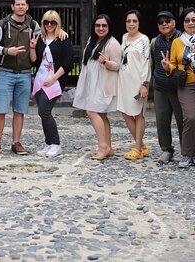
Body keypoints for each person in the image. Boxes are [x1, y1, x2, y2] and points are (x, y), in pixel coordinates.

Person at [161, 8, 195, 168]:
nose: (191, 23)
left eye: (194, 20)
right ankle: (186, 154)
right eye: (187, 20)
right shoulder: (177, 42)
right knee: (191, 118)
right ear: (182, 23)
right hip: (187, 85)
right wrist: (167, 66)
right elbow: (172, 63)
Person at [0, 0, 40, 156]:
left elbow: (47, 34)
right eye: (17, 4)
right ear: (12, 6)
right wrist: (6, 50)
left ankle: (16, 142)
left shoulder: (33, 25)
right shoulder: (2, 24)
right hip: (5, 72)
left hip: (24, 73)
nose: (20, 7)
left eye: (23, 4)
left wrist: (61, 32)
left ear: (27, 6)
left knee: (20, 110)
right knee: (0, 110)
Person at [72, 14, 121, 161]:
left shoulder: (112, 43)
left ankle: (102, 147)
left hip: (103, 84)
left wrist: (106, 62)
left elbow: (118, 66)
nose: (100, 28)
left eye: (104, 26)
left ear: (109, 27)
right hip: (92, 83)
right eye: (98, 25)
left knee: (92, 112)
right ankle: (108, 147)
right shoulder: (92, 40)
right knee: (102, 114)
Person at [29, 10, 74, 158]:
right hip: (40, 79)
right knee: (42, 113)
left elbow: (68, 63)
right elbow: (35, 61)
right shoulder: (40, 38)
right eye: (46, 22)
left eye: (53, 22)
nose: (49, 25)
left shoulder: (63, 38)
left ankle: (55, 144)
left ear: (57, 23)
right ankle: (48, 143)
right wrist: (32, 47)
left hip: (54, 80)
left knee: (45, 111)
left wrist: (54, 78)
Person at [117, 10, 151, 161]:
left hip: (138, 82)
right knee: (125, 112)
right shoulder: (124, 37)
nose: (131, 24)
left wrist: (144, 84)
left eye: (134, 21)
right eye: (128, 21)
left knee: (138, 114)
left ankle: (137, 148)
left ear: (139, 23)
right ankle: (142, 146)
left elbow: (146, 63)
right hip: (124, 80)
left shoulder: (144, 40)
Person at [150, 10, 184, 164]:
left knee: (183, 120)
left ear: (174, 22)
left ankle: (187, 150)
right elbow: (152, 62)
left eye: (167, 21)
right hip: (161, 86)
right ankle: (166, 149)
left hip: (180, 87)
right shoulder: (154, 42)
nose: (164, 24)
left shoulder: (184, 39)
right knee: (162, 120)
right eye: (160, 22)